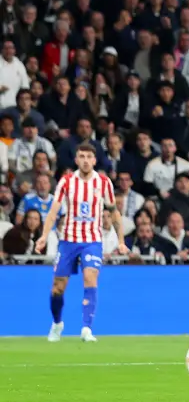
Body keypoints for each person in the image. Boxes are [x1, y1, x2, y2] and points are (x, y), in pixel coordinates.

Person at [38, 144, 125, 342]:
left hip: (92, 240)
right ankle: (57, 323)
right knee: (58, 288)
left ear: (94, 160)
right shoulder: (67, 181)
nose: (85, 160)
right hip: (68, 240)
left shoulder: (103, 182)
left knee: (90, 278)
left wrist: (120, 240)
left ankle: (86, 328)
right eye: (81, 156)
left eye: (89, 157)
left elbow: (113, 211)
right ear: (76, 160)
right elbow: (54, 210)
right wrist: (44, 235)